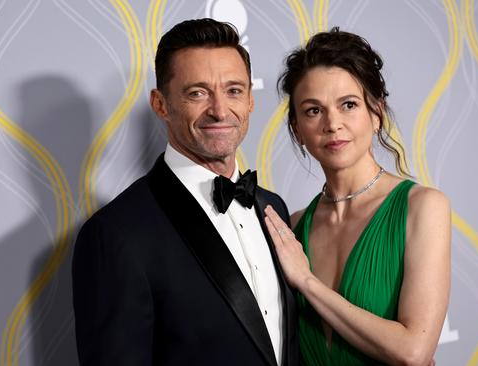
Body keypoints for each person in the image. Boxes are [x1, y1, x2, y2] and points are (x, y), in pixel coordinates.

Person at [71, 18, 298, 365]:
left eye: (234, 90)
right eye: (198, 93)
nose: (220, 110)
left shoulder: (273, 208)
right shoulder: (115, 234)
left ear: (251, 99)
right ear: (161, 104)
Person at [263, 28, 451, 365]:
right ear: (297, 130)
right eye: (312, 111)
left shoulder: (421, 208)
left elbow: (414, 352)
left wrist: (307, 282)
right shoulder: (293, 227)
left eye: (348, 105)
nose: (332, 124)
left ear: (376, 113)